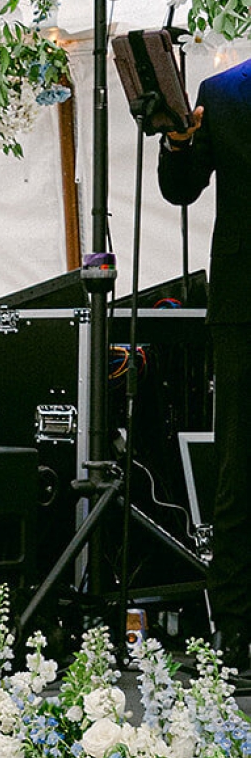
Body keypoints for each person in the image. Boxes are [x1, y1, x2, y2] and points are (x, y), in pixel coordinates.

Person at [157, 58, 251, 680]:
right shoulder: (224, 91)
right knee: (241, 466)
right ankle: (238, 633)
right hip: (245, 304)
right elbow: (182, 188)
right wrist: (176, 137)